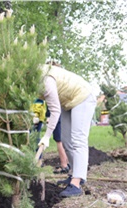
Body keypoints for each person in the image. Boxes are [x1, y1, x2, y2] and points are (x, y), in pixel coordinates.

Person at [38, 62, 96, 198]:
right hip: (68, 102)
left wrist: (46, 136)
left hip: (82, 96)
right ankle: (72, 174)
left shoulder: (45, 79)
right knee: (65, 139)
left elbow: (55, 110)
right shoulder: (30, 81)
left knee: (78, 139)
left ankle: (77, 183)